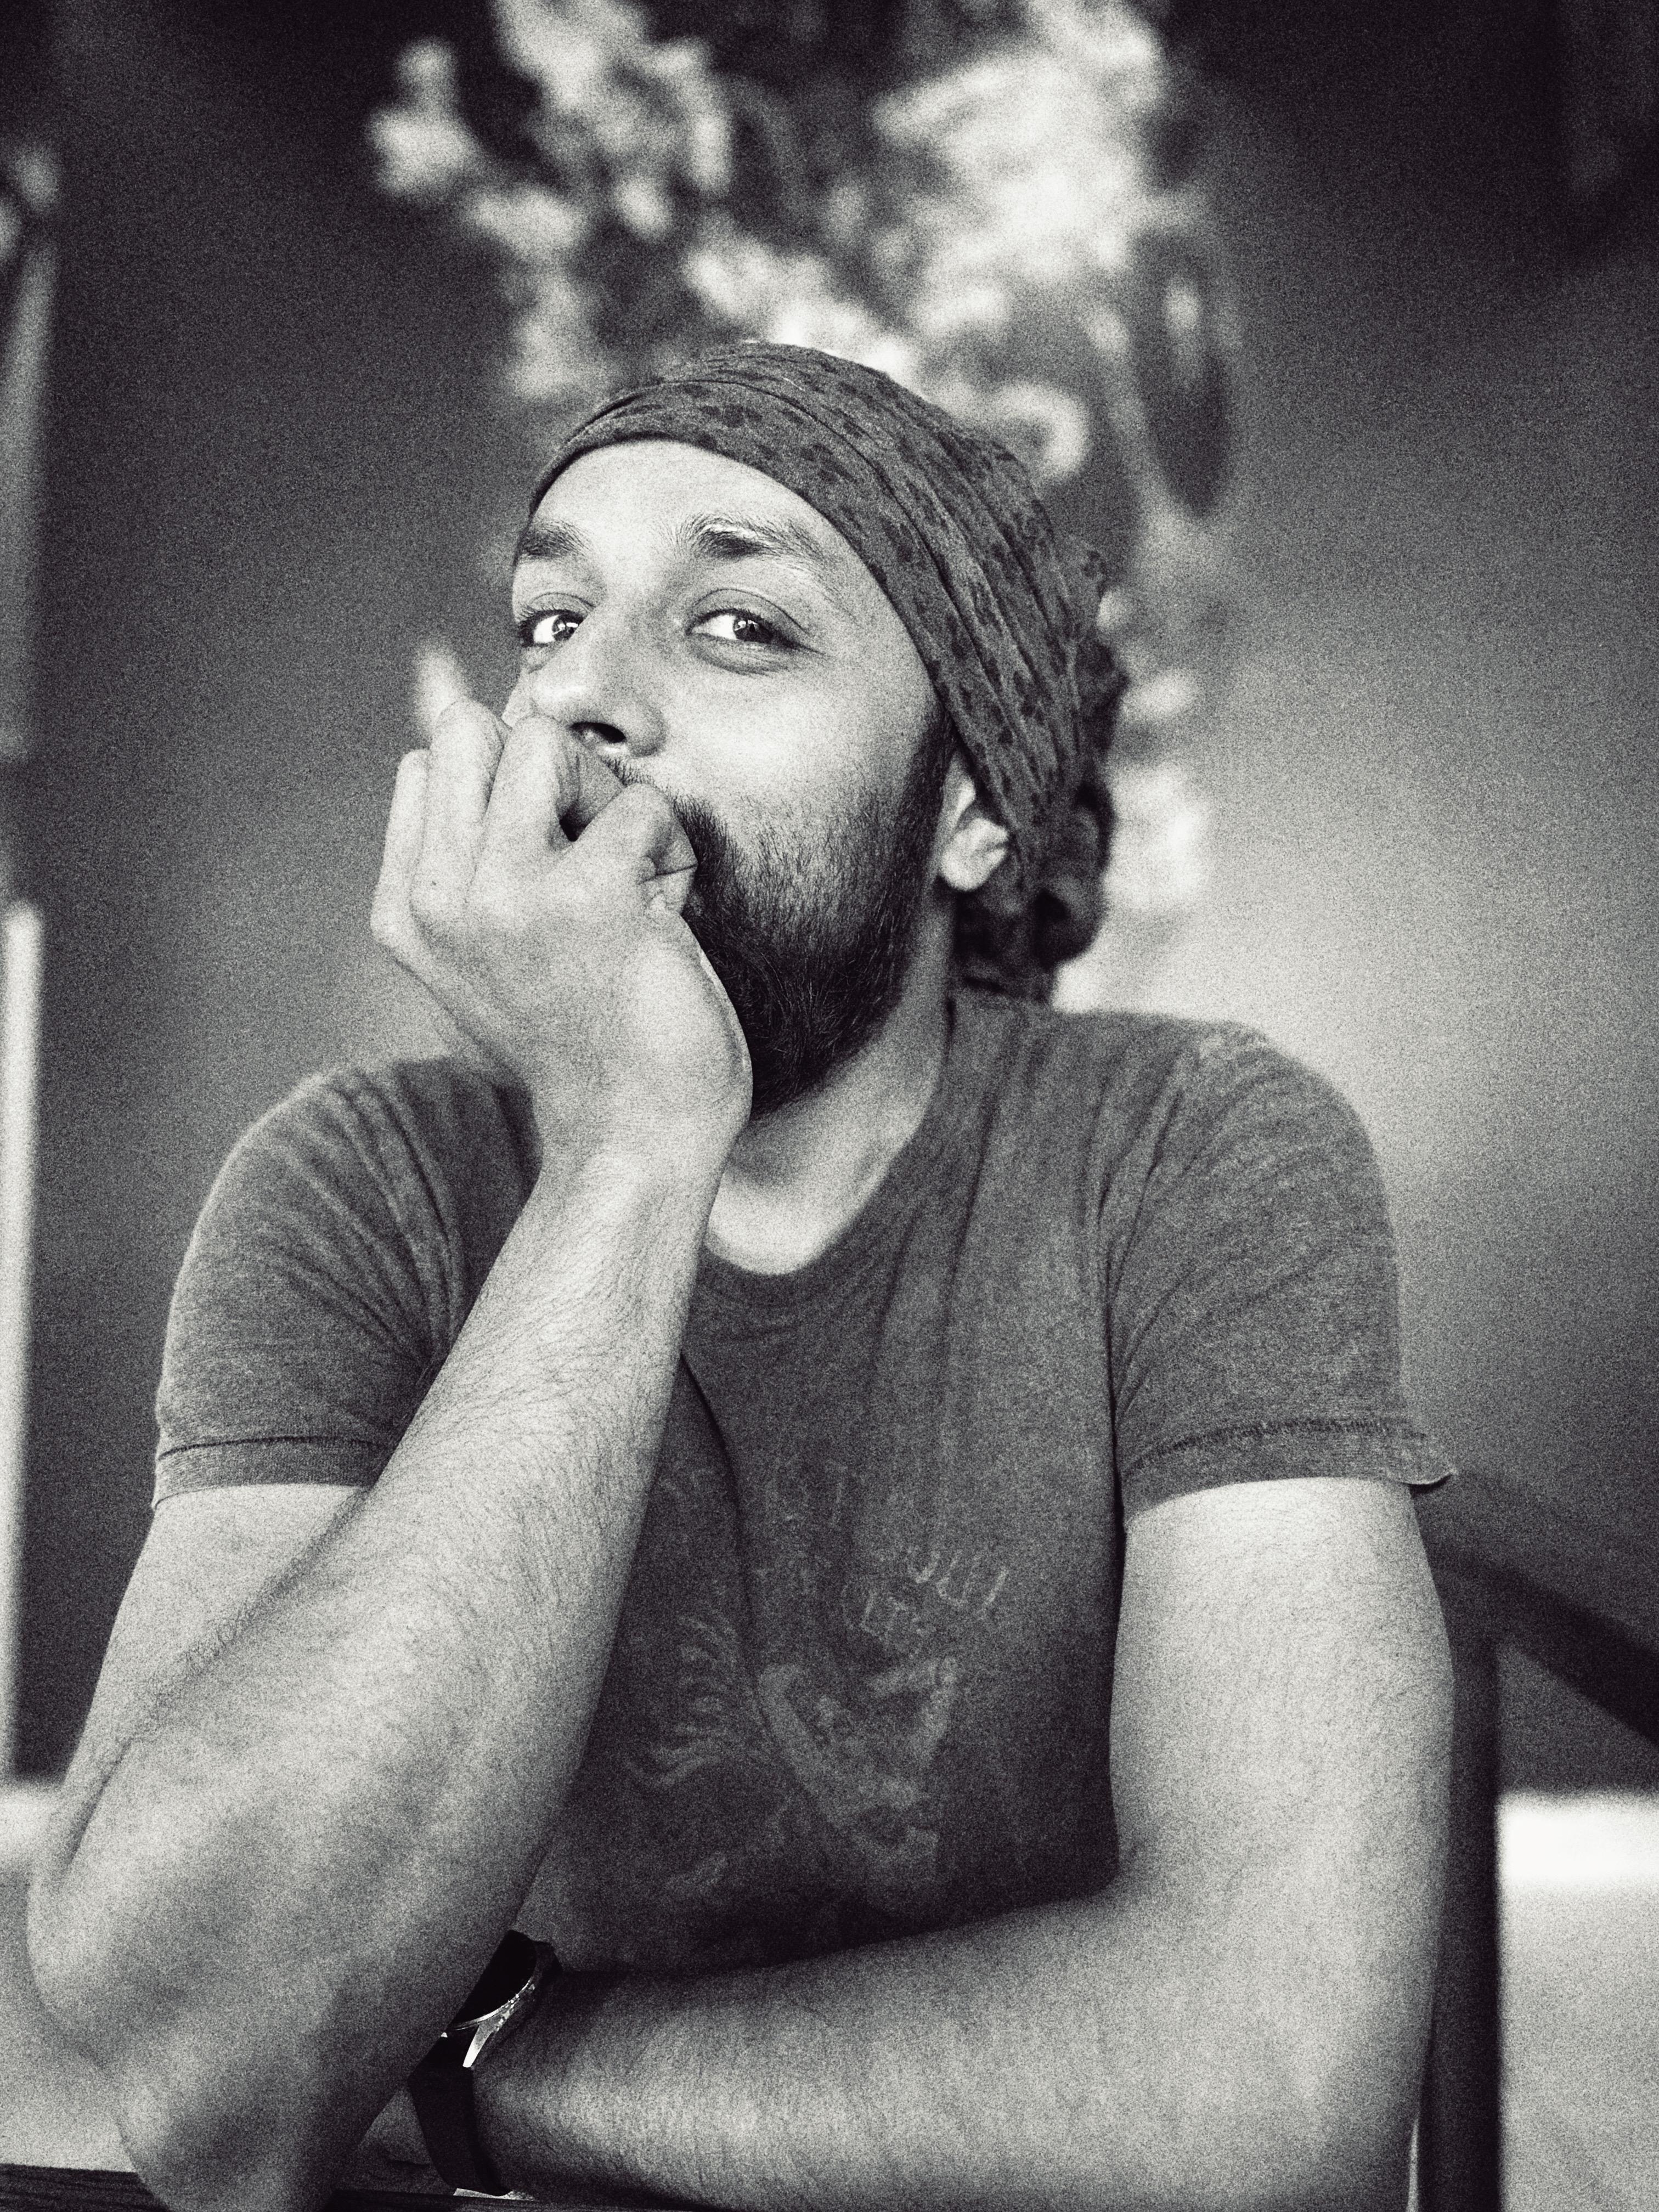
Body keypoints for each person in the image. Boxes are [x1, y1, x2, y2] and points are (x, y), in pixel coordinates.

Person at [28, 343, 1452, 2212]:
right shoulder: (358, 1187)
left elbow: (1273, 2091)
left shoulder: (1195, 1148)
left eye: (740, 625)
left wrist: (462, 2069)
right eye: (552, 617)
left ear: (972, 815)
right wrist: (631, 1148)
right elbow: (202, 2071)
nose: (583, 701)